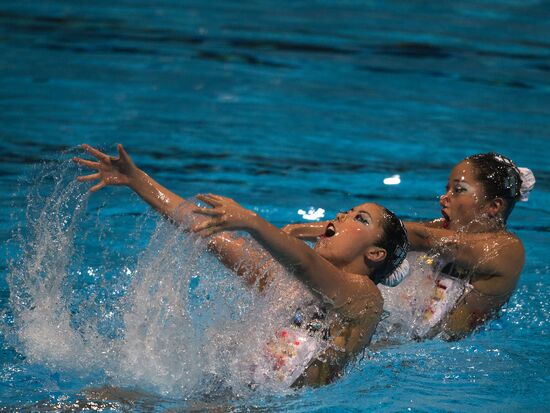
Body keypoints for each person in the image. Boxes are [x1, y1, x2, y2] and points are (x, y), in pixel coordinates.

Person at [72, 143, 409, 387]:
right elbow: (209, 234)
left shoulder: (365, 301)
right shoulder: (291, 291)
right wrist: (138, 181)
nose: (341, 216)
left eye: (359, 219)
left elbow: (305, 262)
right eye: (347, 211)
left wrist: (251, 221)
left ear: (375, 254)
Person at [283, 153, 535, 340]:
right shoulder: (444, 228)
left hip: (441, 360)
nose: (444, 198)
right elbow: (379, 234)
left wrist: (298, 231)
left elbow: (404, 235)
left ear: (494, 206)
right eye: (447, 188)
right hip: (407, 340)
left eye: (458, 190)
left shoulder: (508, 250)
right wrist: (299, 233)